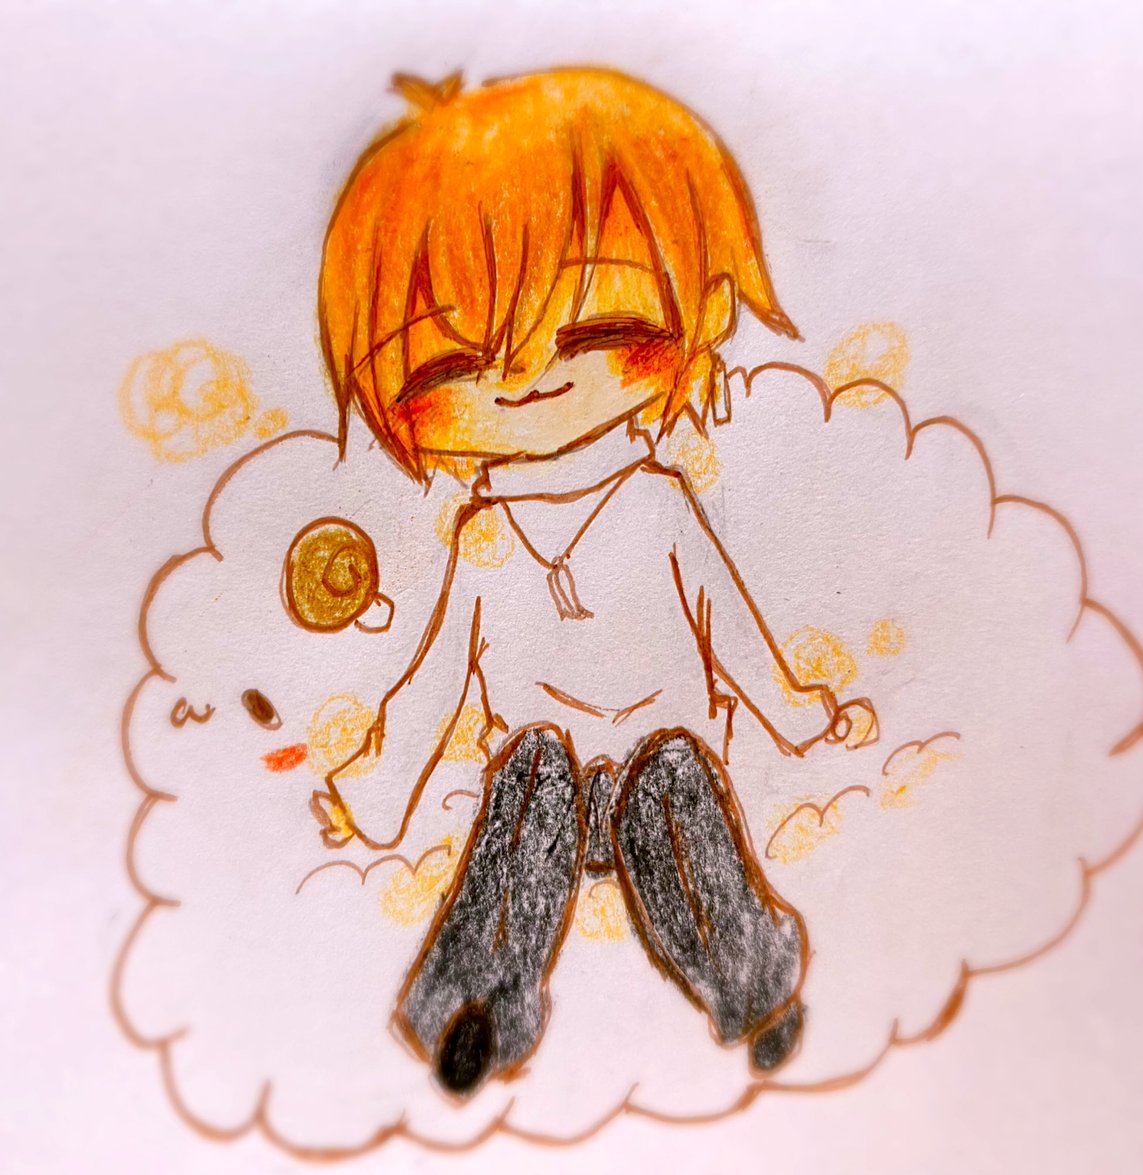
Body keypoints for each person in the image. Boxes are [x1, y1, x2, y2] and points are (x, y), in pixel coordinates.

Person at [313, 67, 877, 1096]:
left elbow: (727, 623)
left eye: (586, 331)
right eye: (455, 365)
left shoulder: (658, 502)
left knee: (674, 781)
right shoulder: (487, 535)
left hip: (659, 779)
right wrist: (374, 792)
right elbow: (435, 679)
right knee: (529, 771)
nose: (524, 378)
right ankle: (474, 1008)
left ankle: (755, 986)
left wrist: (799, 712)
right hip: (548, 801)